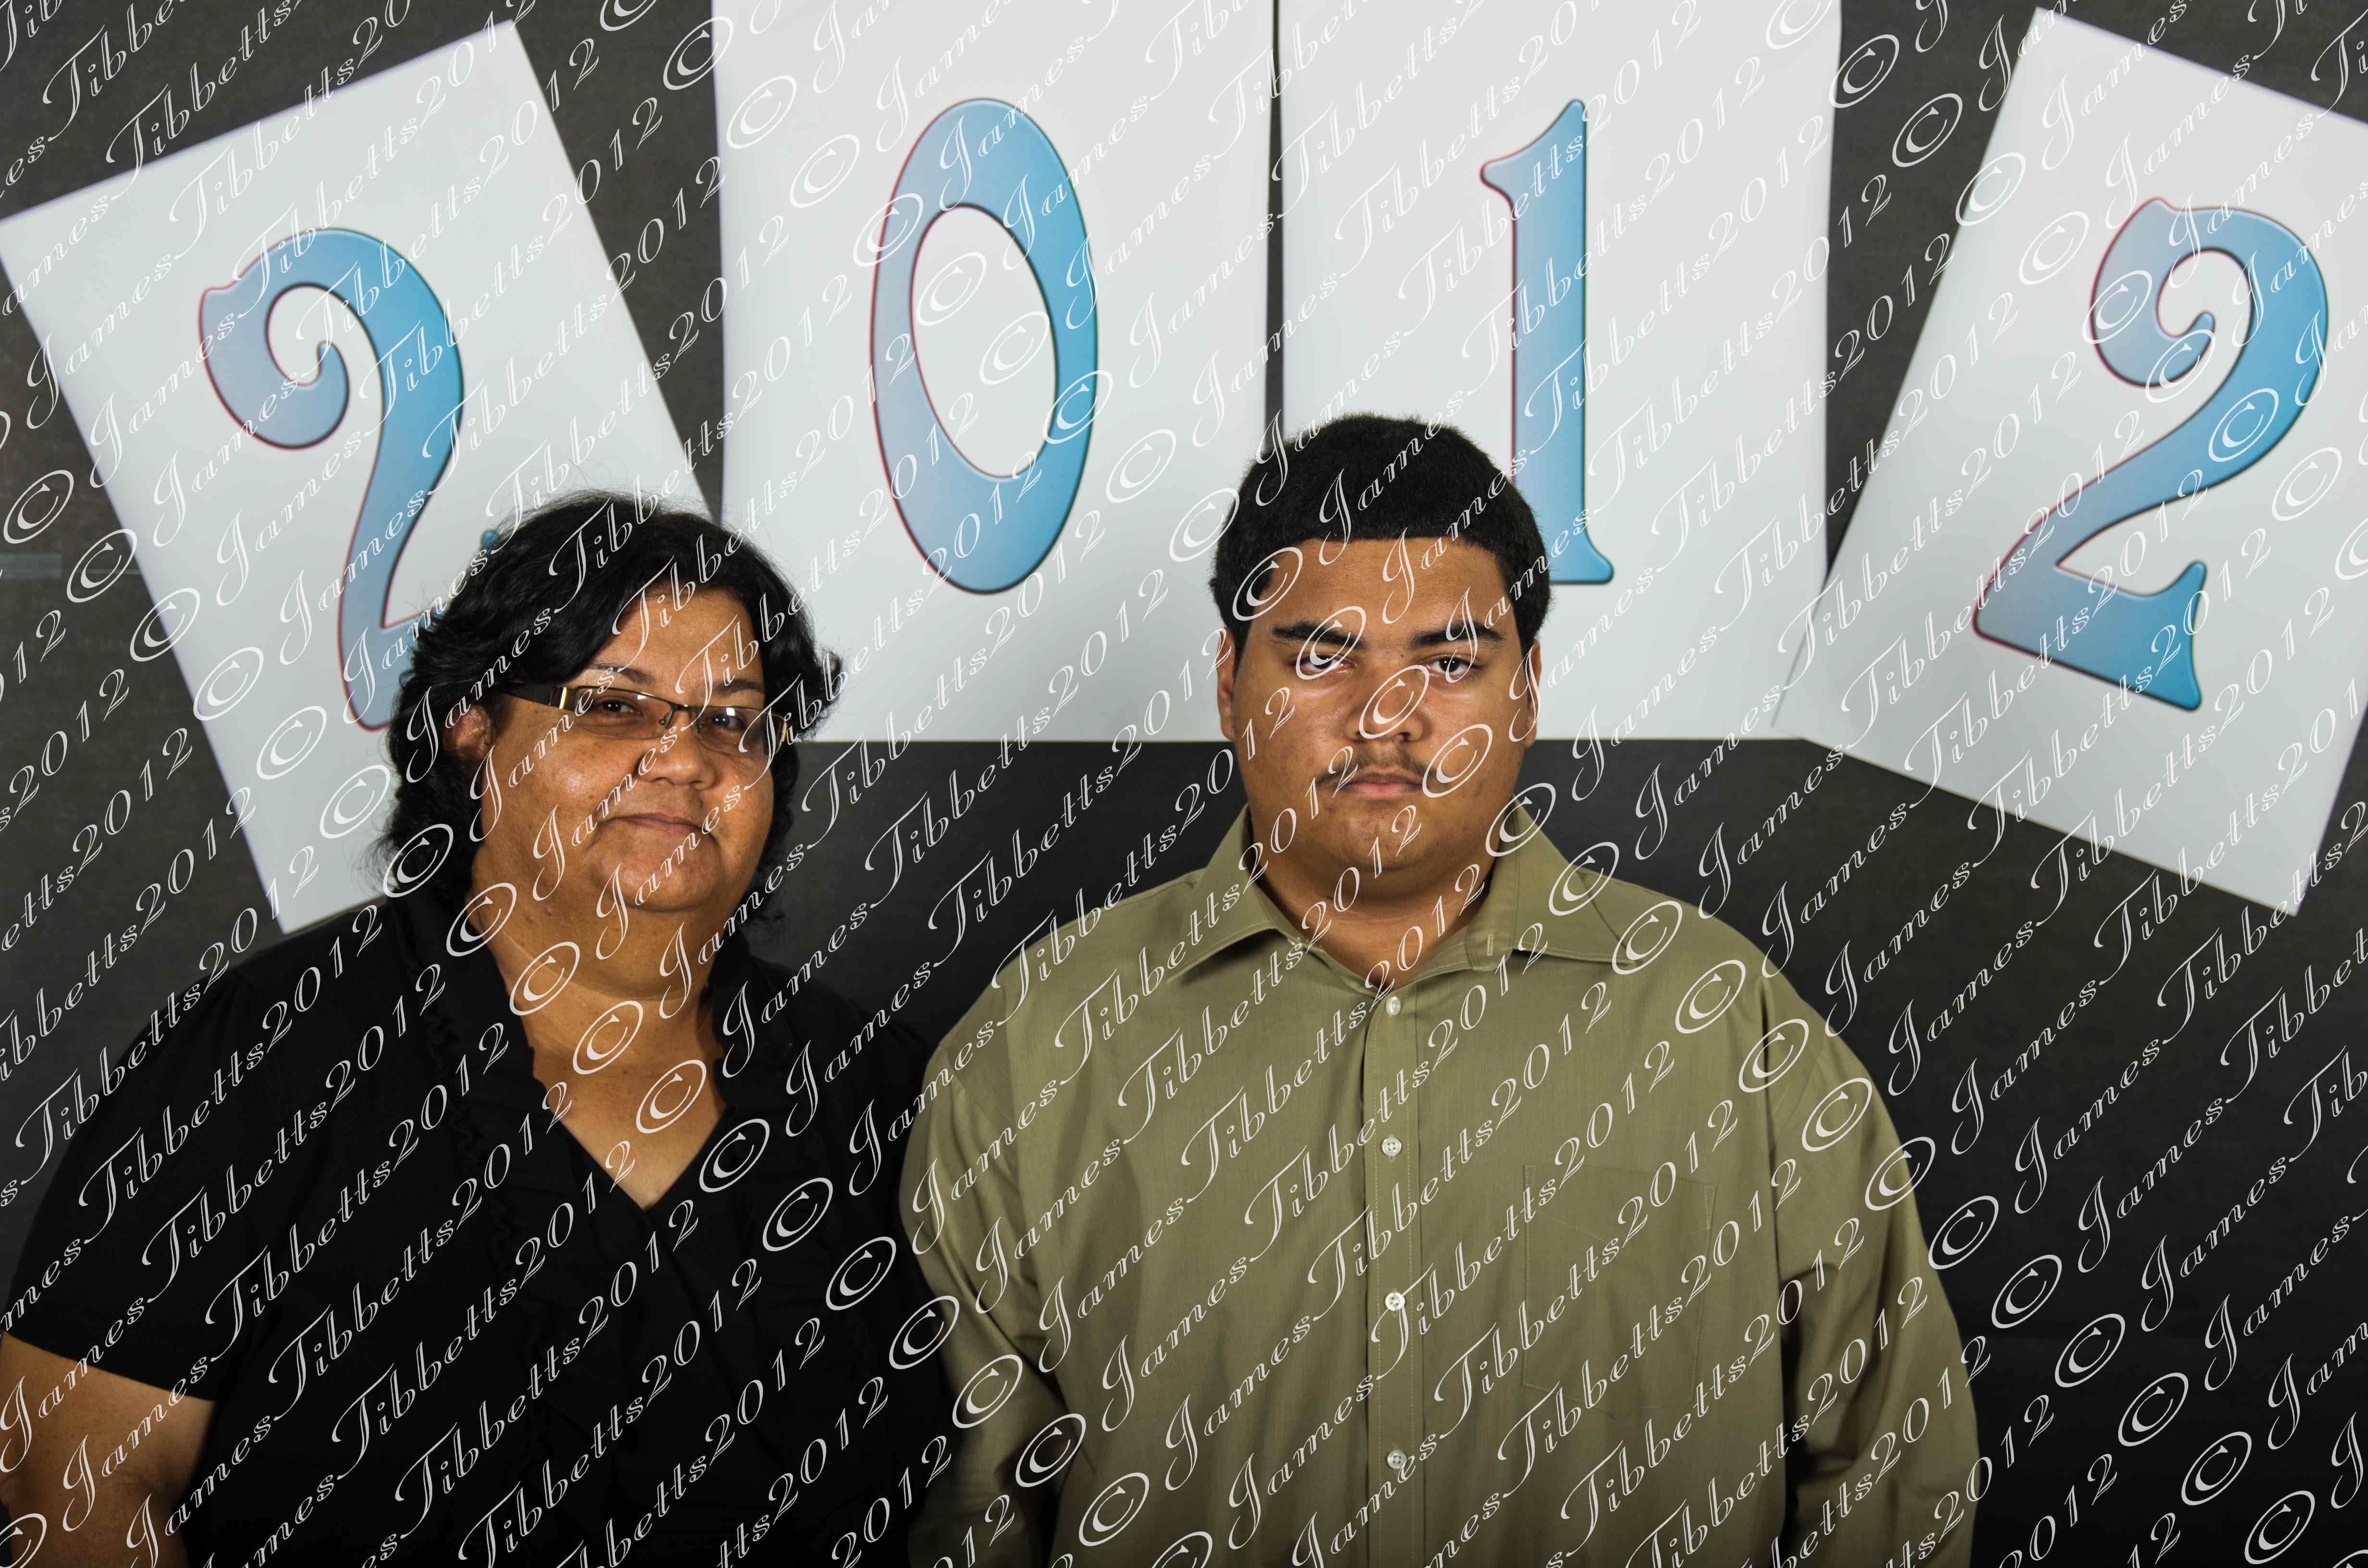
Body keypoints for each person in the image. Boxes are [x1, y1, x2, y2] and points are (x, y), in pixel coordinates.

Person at [900, 415, 1978, 1568]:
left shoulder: (1723, 1022)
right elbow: (970, 1499)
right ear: (1228, 686)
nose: (1385, 715)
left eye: (1451, 663)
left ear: (1527, 692)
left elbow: (1894, 1459)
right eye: (1322, 657)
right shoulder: (1042, 1041)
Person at [0, 496, 948, 1566]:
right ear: (471, 728)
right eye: (613, 706)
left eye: (734, 721)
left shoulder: (873, 1083)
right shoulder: (271, 1052)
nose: (686, 759)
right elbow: (69, 1483)